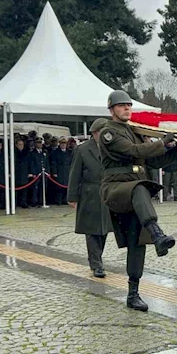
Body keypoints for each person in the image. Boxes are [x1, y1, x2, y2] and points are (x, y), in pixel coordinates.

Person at [98, 90, 177, 311]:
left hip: (135, 191)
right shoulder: (109, 133)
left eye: (128, 105)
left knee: (137, 242)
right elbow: (133, 151)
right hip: (116, 188)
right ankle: (157, 232)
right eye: (122, 105)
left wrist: (175, 148)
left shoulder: (134, 131)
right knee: (140, 187)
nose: (127, 108)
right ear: (112, 109)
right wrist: (162, 143)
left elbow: (152, 162)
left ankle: (133, 294)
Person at [68, 118, 113, 279]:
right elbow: (75, 174)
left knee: (104, 229)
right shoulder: (82, 149)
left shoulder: (112, 148)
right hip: (89, 194)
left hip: (108, 192)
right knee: (92, 230)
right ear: (95, 133)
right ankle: (96, 264)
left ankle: (96, 257)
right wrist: (72, 196)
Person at [50, 138, 73, 205]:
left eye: (64, 144)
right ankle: (58, 200)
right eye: (62, 143)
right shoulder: (55, 152)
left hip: (67, 171)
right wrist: (54, 172)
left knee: (67, 186)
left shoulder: (69, 152)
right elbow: (53, 163)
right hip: (59, 171)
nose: (63, 145)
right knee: (59, 187)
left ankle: (65, 200)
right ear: (59, 144)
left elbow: (72, 162)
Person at [28, 137, 50, 207]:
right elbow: (31, 164)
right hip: (36, 173)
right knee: (35, 188)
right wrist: (33, 173)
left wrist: (48, 172)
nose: (39, 144)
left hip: (44, 173)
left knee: (43, 188)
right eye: (38, 143)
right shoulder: (32, 153)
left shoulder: (45, 152)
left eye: (40, 143)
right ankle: (35, 201)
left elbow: (47, 163)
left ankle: (42, 201)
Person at [14, 138, 32, 209]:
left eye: (22, 144)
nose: (21, 146)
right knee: (15, 189)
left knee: (24, 190)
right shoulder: (13, 153)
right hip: (16, 173)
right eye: (19, 144)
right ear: (16, 145)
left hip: (24, 173)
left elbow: (29, 163)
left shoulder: (26, 152)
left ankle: (24, 203)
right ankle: (14, 203)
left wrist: (30, 172)